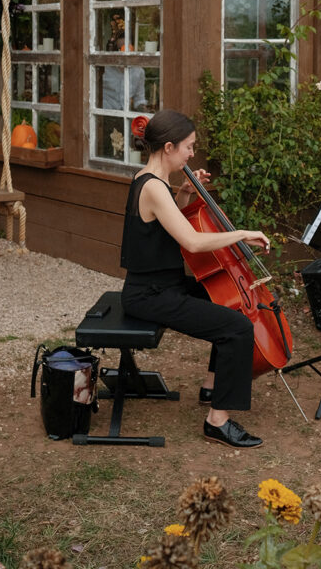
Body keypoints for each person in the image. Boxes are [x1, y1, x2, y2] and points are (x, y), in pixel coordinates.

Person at [120, 109, 270, 449]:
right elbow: (192, 241)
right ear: (169, 147)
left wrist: (186, 193)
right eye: (189, 147)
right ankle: (217, 422)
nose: (191, 154)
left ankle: (211, 386)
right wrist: (241, 234)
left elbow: (165, 223)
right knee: (238, 327)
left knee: (226, 301)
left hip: (159, 287)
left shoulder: (148, 178)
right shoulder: (153, 187)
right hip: (150, 296)